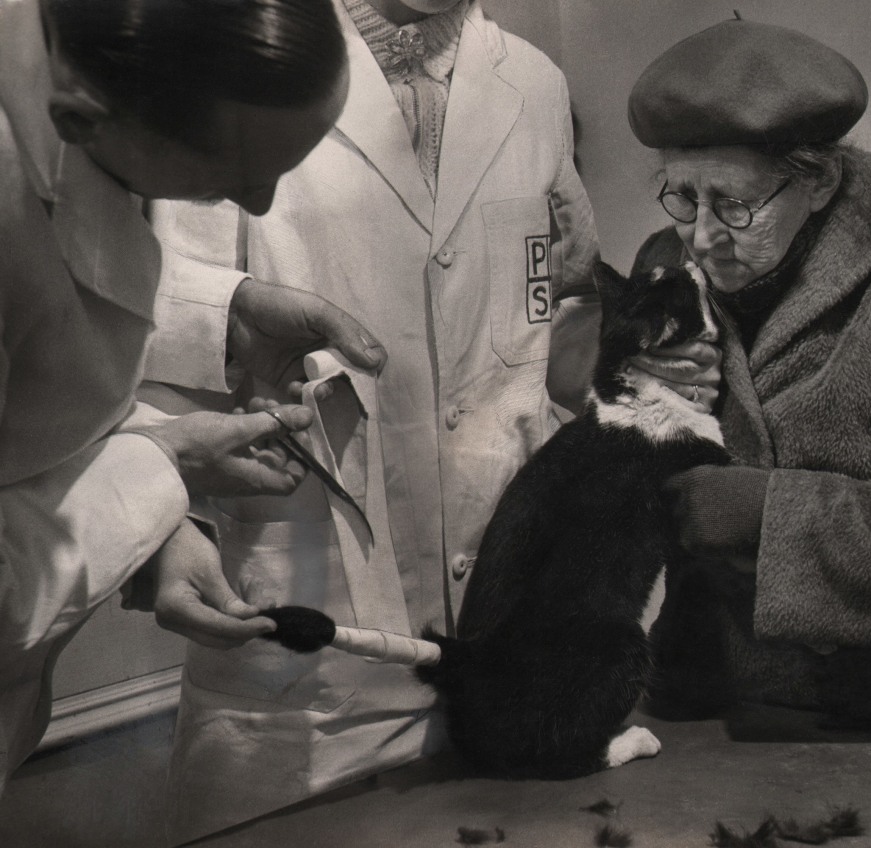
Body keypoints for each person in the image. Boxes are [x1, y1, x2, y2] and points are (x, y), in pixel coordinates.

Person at [142, 0, 720, 841]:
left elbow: (542, 329)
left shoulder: (534, 84)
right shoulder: (235, 54)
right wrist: (171, 525)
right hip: (312, 662)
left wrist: (652, 372)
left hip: (519, 635)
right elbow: (151, 330)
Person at [0, 0, 372, 793]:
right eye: (229, 180)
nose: (262, 204)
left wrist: (225, 312)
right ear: (79, 119)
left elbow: (54, 302)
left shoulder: (76, 76)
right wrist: (163, 467)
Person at [626, 18, 871, 734]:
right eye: (682, 196)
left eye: (735, 204)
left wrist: (765, 515)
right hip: (704, 705)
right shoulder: (667, 262)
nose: (703, 236)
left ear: (820, 181)